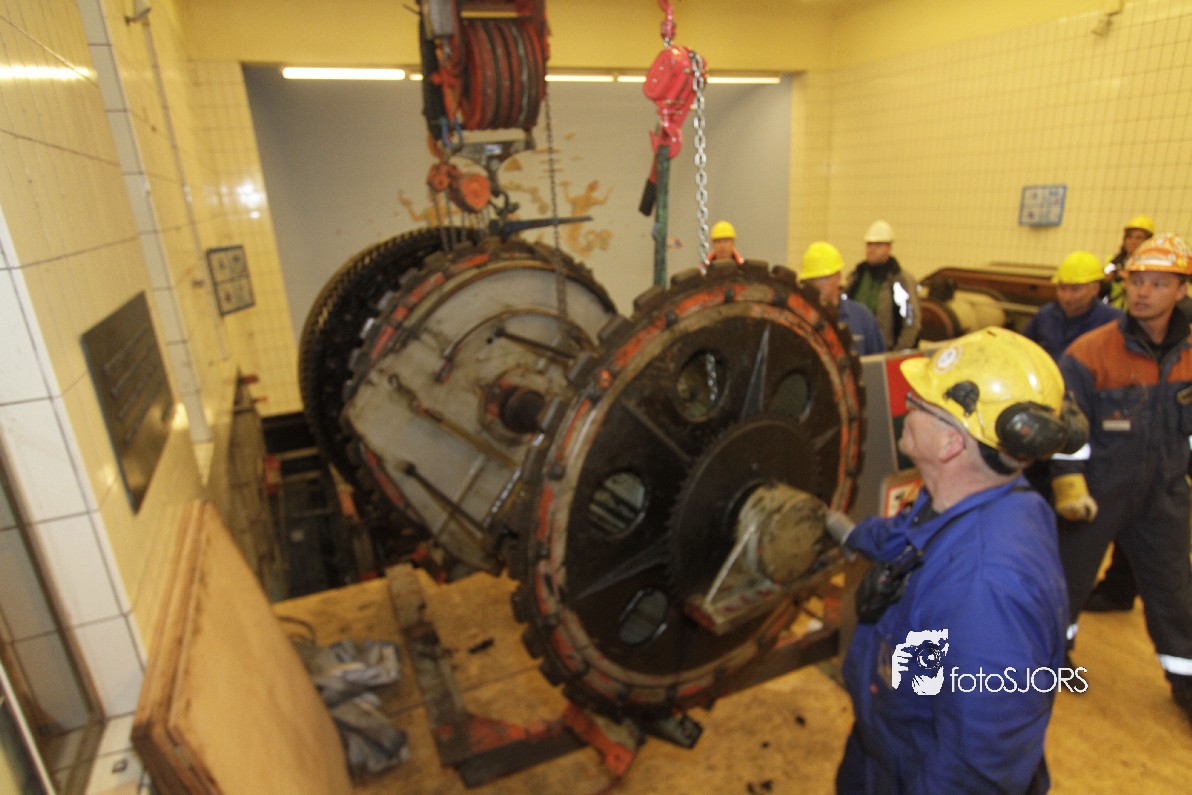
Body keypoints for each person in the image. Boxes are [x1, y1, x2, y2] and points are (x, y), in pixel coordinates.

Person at [826, 327, 1083, 793]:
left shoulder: (988, 592)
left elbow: (979, 766)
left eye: (920, 403)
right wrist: (850, 533)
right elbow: (910, 537)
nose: (907, 406)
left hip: (918, 772)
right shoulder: (969, 498)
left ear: (952, 445)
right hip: (886, 741)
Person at [1051, 232, 1192, 727]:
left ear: (1181, 290)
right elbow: (1068, 431)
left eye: (1158, 283)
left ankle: (1186, 678)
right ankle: (1051, 658)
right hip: (1098, 492)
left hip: (1164, 495)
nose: (1143, 292)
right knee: (1066, 581)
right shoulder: (1090, 353)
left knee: (1174, 589)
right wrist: (1069, 486)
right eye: (1136, 281)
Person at [1023, 250, 1123, 361]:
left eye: (1075, 289)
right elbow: (1023, 351)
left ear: (1095, 289)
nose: (1067, 297)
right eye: (1062, 288)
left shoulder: (1113, 322)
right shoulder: (1044, 316)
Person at [844, 220, 921, 351]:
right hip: (856, 348)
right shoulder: (857, 276)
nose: (871, 250)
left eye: (878, 245)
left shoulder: (900, 280)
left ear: (889, 248)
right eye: (869, 244)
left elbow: (911, 322)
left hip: (886, 349)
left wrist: (898, 353)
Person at [800, 241, 884, 355]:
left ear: (838, 277)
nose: (817, 285)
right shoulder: (801, 319)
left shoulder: (862, 318)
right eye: (811, 280)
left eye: (823, 278)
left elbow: (878, 360)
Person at [1104, 214, 1155, 309]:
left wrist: (1130, 279)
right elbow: (1104, 276)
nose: (1133, 241)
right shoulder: (1114, 261)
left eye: (1139, 238)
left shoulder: (1151, 266)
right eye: (1129, 237)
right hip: (1113, 310)